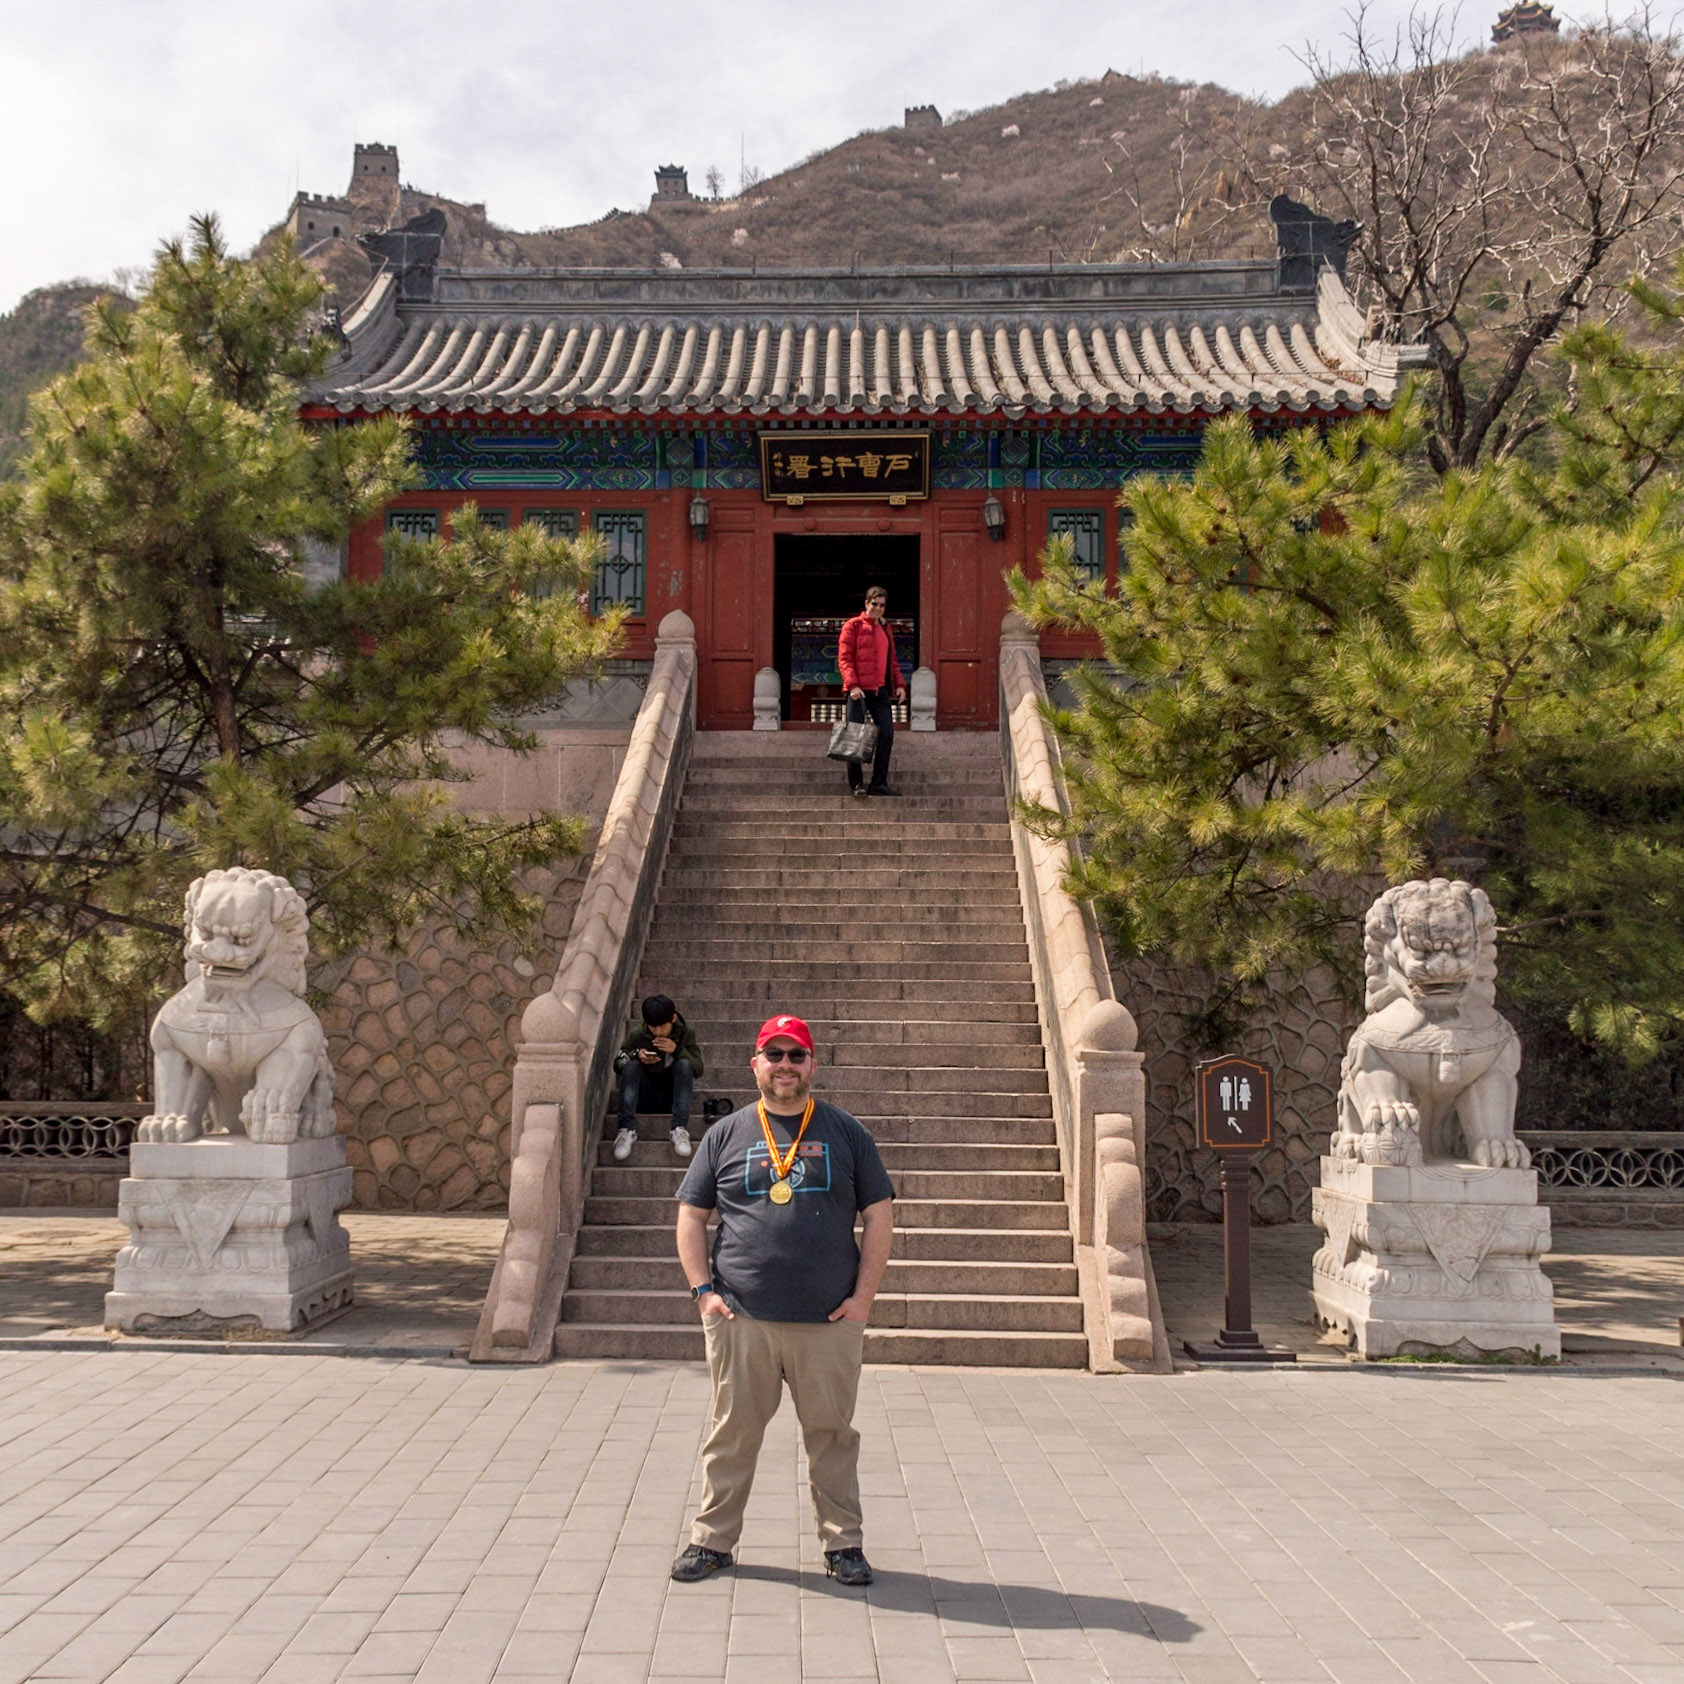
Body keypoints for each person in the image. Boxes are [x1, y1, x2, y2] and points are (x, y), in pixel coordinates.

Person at [670, 1012, 895, 1588]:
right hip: (742, 1317)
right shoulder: (726, 1134)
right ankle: (712, 1540)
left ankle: (842, 1544)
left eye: (797, 1055)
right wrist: (703, 1293)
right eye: (775, 1055)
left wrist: (863, 1299)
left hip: (828, 1318)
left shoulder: (847, 1132)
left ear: (813, 1064)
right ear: (756, 1065)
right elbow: (691, 1216)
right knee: (731, 1434)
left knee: (832, 1436)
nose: (785, 1065)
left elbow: (879, 1215)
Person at [614, 994, 705, 1160]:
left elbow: (698, 1069)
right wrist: (636, 1054)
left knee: (684, 1065)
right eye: (652, 1027)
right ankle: (626, 1129)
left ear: (673, 1018)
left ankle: (679, 1129)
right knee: (631, 1066)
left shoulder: (686, 1033)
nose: (657, 1032)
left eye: (662, 1027)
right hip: (644, 1096)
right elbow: (618, 1065)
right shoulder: (638, 1035)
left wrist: (677, 1050)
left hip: (672, 1096)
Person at [836, 585, 907, 798]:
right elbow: (845, 658)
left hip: (880, 690)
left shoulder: (886, 629)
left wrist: (900, 684)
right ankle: (857, 784)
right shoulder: (853, 626)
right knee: (855, 737)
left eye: (882, 605)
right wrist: (852, 685)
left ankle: (878, 783)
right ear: (866, 603)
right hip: (858, 691)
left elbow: (892, 661)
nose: (878, 608)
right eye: (874, 604)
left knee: (887, 734)